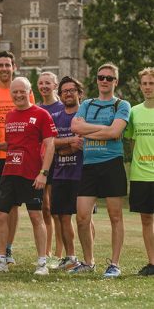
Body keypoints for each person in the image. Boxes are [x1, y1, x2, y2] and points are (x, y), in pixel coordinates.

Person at [0, 77, 57, 275]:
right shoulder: (10, 115)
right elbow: (14, 144)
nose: (18, 95)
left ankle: (42, 263)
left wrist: (43, 173)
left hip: (31, 173)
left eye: (22, 91)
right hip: (10, 171)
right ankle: (2, 260)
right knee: (0, 214)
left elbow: (50, 144)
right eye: (15, 92)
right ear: (11, 93)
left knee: (36, 216)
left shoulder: (41, 114)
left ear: (29, 92)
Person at [70, 62, 131, 277]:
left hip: (112, 164)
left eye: (109, 78)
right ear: (96, 79)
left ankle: (114, 264)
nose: (104, 81)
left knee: (115, 217)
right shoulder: (87, 103)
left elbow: (116, 133)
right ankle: (88, 262)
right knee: (82, 217)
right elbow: (75, 127)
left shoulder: (122, 105)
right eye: (101, 77)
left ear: (116, 81)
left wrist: (90, 132)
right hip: (89, 166)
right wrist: (105, 130)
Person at [0, 51, 35, 265]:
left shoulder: (23, 91)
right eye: (0, 65)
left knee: (12, 206)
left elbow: (32, 119)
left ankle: (8, 249)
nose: (4, 69)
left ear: (14, 67)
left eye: (7, 65)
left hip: (16, 157)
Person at [51, 76, 84, 270]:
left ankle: (89, 258)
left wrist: (62, 146)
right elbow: (50, 143)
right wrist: (68, 143)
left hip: (81, 174)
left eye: (72, 90)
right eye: (64, 91)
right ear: (60, 95)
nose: (68, 93)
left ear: (79, 93)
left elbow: (81, 144)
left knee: (84, 218)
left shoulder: (84, 115)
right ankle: (70, 257)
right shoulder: (55, 118)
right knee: (62, 217)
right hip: (60, 174)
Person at [124, 67, 154, 276]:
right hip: (141, 174)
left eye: (151, 83)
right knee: (146, 220)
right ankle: (152, 262)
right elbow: (133, 142)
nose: (147, 87)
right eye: (144, 83)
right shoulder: (134, 111)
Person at [37, 71, 64, 267]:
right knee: (45, 209)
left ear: (55, 86)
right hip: (42, 163)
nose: (44, 86)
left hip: (62, 163)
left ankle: (59, 253)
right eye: (41, 83)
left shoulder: (62, 107)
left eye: (48, 82)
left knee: (58, 210)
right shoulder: (37, 109)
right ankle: (45, 253)